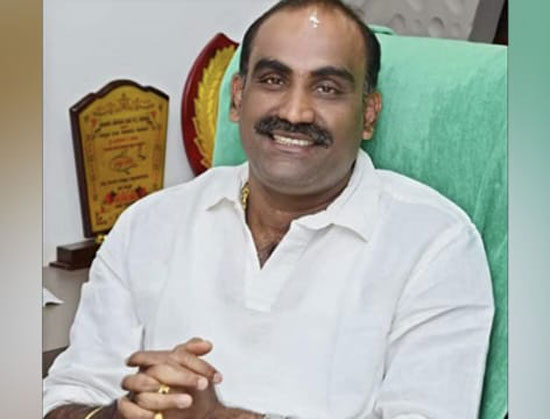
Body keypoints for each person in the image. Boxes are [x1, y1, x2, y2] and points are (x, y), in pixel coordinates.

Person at [44, 1, 494, 418]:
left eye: (328, 88)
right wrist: (126, 413)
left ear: (369, 114)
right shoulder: (150, 223)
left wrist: (220, 418)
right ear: (238, 98)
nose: (295, 113)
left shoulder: (433, 244)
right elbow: (64, 399)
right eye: (274, 80)